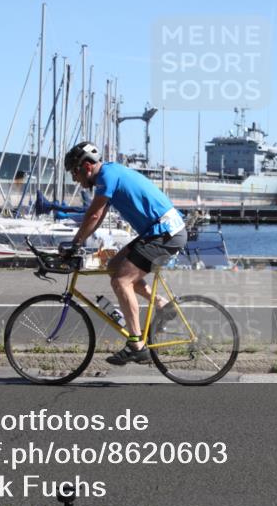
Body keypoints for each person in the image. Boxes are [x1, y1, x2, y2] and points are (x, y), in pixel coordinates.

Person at [62, 141, 187, 365]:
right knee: (114, 267)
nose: (75, 179)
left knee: (122, 280)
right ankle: (161, 304)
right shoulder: (109, 174)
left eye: (75, 173)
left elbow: (93, 215)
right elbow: (98, 216)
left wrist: (74, 244)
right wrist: (78, 243)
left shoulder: (106, 177)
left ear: (87, 167)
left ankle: (136, 345)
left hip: (165, 233)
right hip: (158, 231)